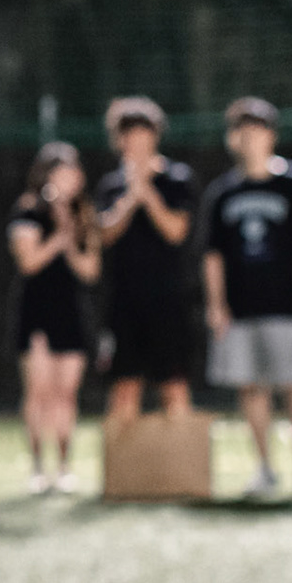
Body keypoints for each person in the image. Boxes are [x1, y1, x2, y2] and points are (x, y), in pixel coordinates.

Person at [200, 97, 292, 498]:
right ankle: (265, 467)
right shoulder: (222, 193)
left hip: (284, 304)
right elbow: (213, 256)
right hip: (240, 308)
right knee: (250, 387)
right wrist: (216, 305)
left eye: (259, 130)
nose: (251, 138)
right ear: (233, 139)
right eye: (243, 131)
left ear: (272, 135)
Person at [93, 96, 198, 425]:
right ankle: (124, 474)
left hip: (169, 301)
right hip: (123, 303)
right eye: (129, 135)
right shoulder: (111, 186)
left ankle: (183, 470)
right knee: (124, 388)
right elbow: (103, 235)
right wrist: (130, 196)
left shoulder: (177, 179)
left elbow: (176, 232)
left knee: (174, 385)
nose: (136, 142)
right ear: (119, 140)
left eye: (143, 134)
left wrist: (147, 193)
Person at [8, 141, 100, 494]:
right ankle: (37, 467)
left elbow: (90, 270)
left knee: (66, 393)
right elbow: (29, 263)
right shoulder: (27, 211)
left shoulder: (84, 214)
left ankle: (63, 467)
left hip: (71, 309)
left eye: (72, 173)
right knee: (39, 391)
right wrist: (59, 237)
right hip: (36, 310)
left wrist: (71, 236)